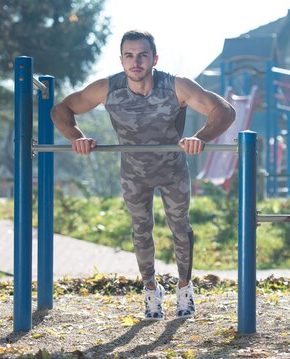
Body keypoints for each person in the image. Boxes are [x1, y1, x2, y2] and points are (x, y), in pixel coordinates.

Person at [50, 30, 236, 321]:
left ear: (154, 58)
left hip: (172, 170)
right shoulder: (107, 88)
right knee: (141, 231)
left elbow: (224, 111)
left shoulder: (176, 86)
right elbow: (61, 110)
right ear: (121, 59)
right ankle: (151, 290)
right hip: (134, 173)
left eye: (142, 55)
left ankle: (185, 288)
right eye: (129, 55)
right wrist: (77, 137)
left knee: (180, 228)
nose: (135, 62)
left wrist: (200, 137)